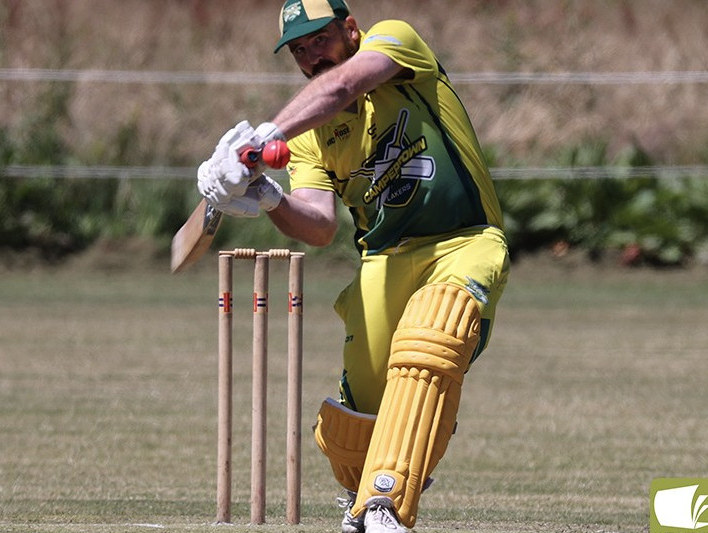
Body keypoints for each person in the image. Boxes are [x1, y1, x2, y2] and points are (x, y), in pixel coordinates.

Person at [196, 1, 510, 531]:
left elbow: (342, 87)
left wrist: (259, 138)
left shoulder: (396, 43)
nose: (312, 56)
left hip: (464, 239)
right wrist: (271, 199)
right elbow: (318, 226)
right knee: (356, 421)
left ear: (350, 29)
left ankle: (384, 503)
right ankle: (357, 499)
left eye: (319, 40)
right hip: (382, 261)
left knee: (429, 344)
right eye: (299, 50)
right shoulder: (309, 140)